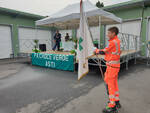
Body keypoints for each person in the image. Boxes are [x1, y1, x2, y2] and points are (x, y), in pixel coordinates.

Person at [95, 27, 121, 113]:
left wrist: (96, 50)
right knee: (114, 84)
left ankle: (112, 106)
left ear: (113, 33)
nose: (107, 34)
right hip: (115, 66)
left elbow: (104, 51)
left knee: (110, 85)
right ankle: (116, 101)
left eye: (109, 33)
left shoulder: (113, 42)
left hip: (112, 66)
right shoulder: (116, 41)